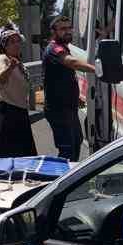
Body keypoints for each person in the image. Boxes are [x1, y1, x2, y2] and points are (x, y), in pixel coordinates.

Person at [41, 14, 96, 160]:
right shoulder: (54, 49)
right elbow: (71, 63)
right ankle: (62, 181)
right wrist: (97, 69)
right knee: (67, 150)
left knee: (76, 142)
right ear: (54, 32)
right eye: (63, 29)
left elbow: (63, 78)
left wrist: (75, 97)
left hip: (68, 107)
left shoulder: (63, 47)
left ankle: (69, 179)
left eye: (69, 28)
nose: (68, 31)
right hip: (58, 109)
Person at [0, 28, 37, 158]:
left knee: (26, 155)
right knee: (12, 156)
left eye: (18, 41)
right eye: (12, 42)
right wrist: (10, 67)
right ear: (4, 45)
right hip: (9, 112)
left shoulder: (18, 62)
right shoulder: (3, 59)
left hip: (20, 111)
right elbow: (1, 77)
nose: (17, 44)